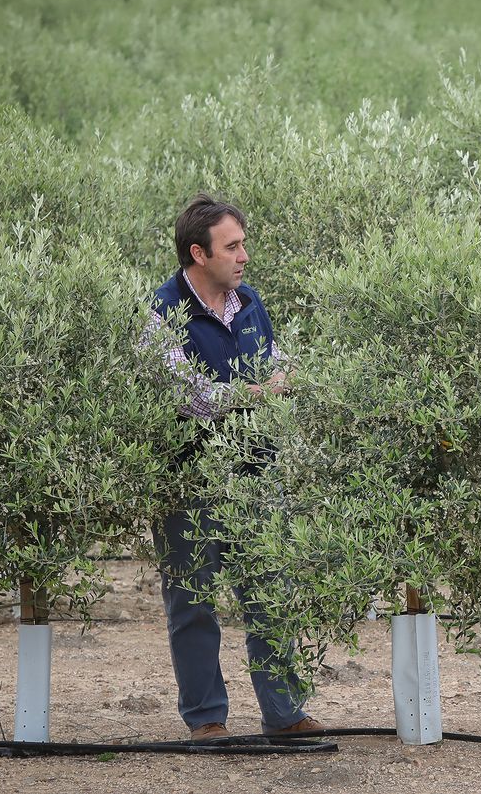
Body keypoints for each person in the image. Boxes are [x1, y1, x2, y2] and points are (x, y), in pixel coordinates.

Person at [150, 191, 322, 741]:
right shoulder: (161, 313)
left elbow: (281, 367)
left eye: (243, 244)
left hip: (257, 472)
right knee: (193, 602)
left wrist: (273, 385)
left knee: (269, 589)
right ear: (198, 254)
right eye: (233, 246)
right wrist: (256, 391)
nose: (244, 255)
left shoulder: (251, 304)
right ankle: (206, 721)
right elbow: (188, 398)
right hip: (188, 478)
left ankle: (285, 713)